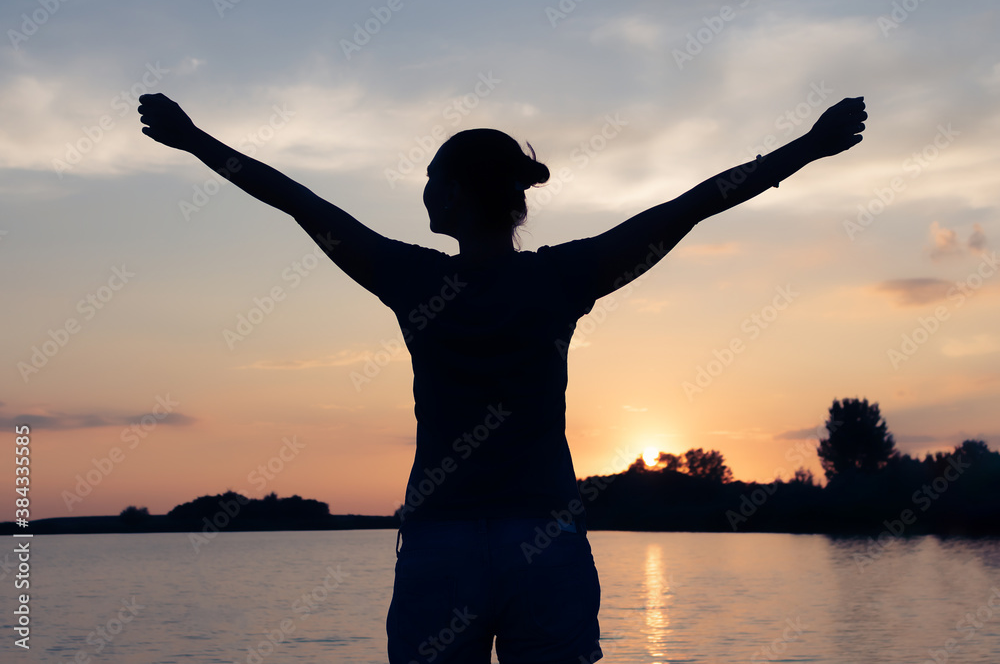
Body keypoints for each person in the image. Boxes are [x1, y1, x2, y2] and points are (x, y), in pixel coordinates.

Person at [138, 93, 866, 663]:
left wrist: (194, 139)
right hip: (544, 545)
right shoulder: (561, 277)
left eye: (429, 177)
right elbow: (691, 206)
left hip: (442, 549)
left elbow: (297, 199)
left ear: (454, 194)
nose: (421, 188)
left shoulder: (411, 278)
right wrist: (809, 146)